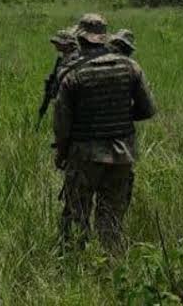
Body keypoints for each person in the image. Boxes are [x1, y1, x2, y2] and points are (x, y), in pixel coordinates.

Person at [54, 27, 156, 253]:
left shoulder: (72, 74)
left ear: (81, 40)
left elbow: (62, 125)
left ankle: (75, 266)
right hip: (121, 156)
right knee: (111, 218)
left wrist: (61, 154)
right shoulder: (131, 67)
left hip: (83, 157)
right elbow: (148, 109)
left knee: (76, 215)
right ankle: (111, 267)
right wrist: (120, 115)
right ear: (104, 38)